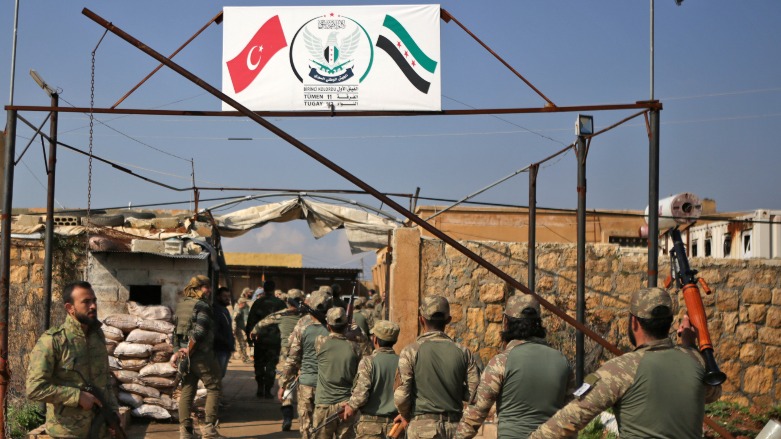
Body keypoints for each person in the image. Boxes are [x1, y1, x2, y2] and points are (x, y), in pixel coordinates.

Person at [529, 287, 723, 438]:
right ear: (670, 321)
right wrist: (690, 346)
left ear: (634, 323)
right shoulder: (695, 360)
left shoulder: (621, 369)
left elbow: (570, 419)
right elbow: (712, 393)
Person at [455, 295, 574, 439]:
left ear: (506, 323)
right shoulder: (562, 362)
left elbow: (474, 415)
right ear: (538, 324)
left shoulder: (501, 362)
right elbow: (570, 415)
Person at [26, 281, 120, 438]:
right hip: (67, 432)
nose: (93, 306)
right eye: (86, 302)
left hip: (100, 430)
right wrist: (77, 396)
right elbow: (35, 388)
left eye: (94, 300)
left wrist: (113, 413)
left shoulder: (98, 336)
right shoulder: (53, 341)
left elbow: (105, 380)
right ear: (70, 308)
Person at [394, 295, 480, 439]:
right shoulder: (464, 353)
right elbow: (475, 395)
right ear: (448, 320)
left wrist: (405, 415)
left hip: (422, 429)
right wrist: (454, 386)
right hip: (455, 429)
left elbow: (401, 397)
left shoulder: (410, 352)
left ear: (421, 319)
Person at [171, 275, 223, 439]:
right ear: (197, 288)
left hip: (186, 356)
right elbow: (199, 332)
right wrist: (188, 349)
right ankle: (209, 430)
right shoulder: (202, 305)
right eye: (206, 287)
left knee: (187, 390)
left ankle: (185, 432)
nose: (209, 291)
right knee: (214, 387)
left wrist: (178, 351)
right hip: (201, 355)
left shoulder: (182, 305)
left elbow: (176, 333)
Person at [279, 290, 333, 439]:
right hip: (330, 386)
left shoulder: (303, 325)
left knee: (306, 428)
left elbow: (292, 357)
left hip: (307, 384)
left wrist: (284, 384)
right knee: (325, 428)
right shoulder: (338, 328)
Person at [252, 288, 306, 431]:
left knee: (286, 386)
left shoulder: (281, 315)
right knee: (303, 388)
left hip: (286, 356)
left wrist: (254, 332)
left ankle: (287, 417)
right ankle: (304, 420)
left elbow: (262, 323)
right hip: (305, 357)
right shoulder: (308, 316)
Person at [342, 320, 401, 439]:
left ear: (375, 339)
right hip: (396, 427)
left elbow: (361, 394)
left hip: (370, 426)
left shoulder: (368, 361)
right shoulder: (403, 361)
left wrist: (351, 406)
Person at [312, 307, 364, 439]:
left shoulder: (320, 342)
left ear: (328, 325)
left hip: (324, 404)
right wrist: (355, 332)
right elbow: (365, 345)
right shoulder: (356, 347)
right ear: (346, 325)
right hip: (346, 405)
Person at [245, 280, 286, 398]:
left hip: (260, 339)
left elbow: (250, 322)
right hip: (275, 340)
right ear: (274, 288)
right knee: (271, 365)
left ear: (263, 288)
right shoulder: (280, 303)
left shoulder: (258, 303)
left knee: (259, 364)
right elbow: (285, 322)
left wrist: (249, 340)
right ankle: (268, 390)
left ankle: (259, 387)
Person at [213, 286, 235, 378]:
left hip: (226, 348)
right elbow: (214, 331)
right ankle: (214, 392)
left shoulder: (224, 310)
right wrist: (226, 341)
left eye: (228, 296)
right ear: (218, 297)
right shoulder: (216, 310)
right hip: (219, 348)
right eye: (224, 296)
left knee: (221, 374)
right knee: (217, 374)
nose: (227, 298)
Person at [233, 293, 251, 363]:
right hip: (238, 329)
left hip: (243, 328)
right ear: (241, 303)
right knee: (241, 343)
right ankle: (244, 358)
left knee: (243, 343)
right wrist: (234, 330)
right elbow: (234, 319)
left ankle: (245, 357)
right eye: (244, 303)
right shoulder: (238, 309)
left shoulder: (245, 308)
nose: (245, 304)